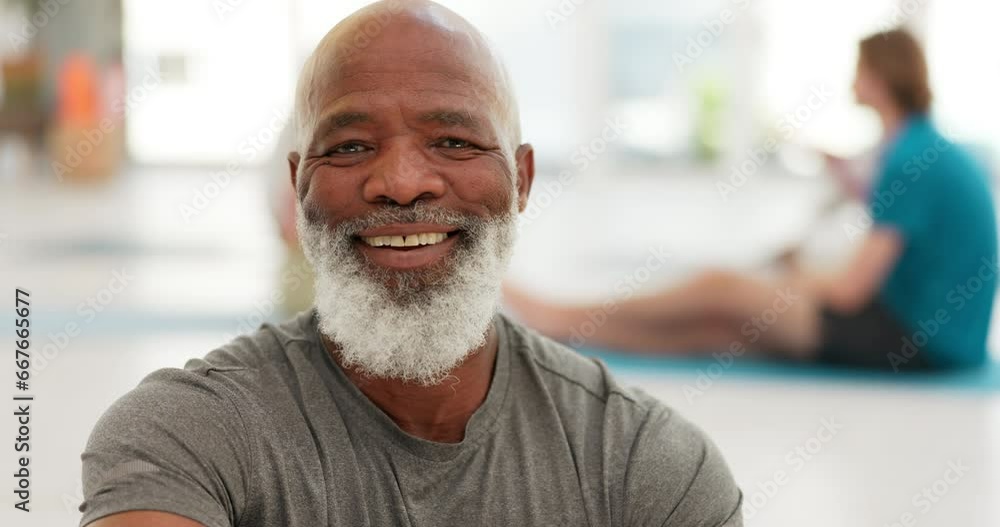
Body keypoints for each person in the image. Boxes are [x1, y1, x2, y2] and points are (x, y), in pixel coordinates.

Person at [78, 2, 743, 526]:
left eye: (453, 140)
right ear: (298, 184)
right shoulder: (182, 437)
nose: (400, 181)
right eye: (349, 146)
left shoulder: (645, 464)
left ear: (522, 180)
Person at [505, 29, 997, 372]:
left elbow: (849, 291)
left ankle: (559, 316)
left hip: (916, 342)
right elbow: (898, 220)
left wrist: (793, 274)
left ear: (879, 77)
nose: (852, 81)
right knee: (719, 331)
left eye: (859, 70)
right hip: (949, 340)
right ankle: (569, 330)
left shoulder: (909, 159)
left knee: (721, 288)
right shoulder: (922, 146)